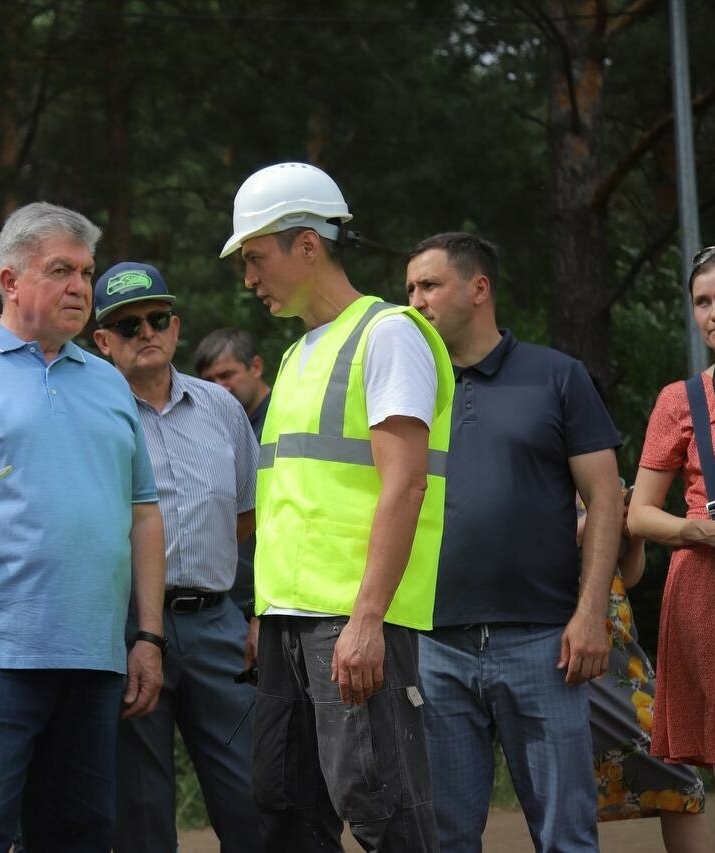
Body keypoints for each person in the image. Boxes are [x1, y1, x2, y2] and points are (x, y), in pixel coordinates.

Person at [0, 202, 166, 853]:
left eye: (85, 271)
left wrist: (149, 635)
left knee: (80, 836)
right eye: (61, 270)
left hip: (94, 658)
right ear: (10, 279)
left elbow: (143, 512)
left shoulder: (108, 383)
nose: (81, 286)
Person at [220, 161, 454, 851]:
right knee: (283, 802)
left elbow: (405, 484)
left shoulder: (387, 335)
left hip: (352, 621)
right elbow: (291, 499)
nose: (249, 278)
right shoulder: (295, 356)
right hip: (291, 622)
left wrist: (367, 619)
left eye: (257, 258)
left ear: (309, 245)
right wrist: (265, 612)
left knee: (381, 804)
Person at [404, 231, 623, 853]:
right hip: (432, 643)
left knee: (566, 836)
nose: (414, 301)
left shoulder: (558, 376)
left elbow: (607, 501)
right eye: (410, 289)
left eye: (429, 285)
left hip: (545, 641)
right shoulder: (405, 389)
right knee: (445, 838)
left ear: (478, 289)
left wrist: (591, 615)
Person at [90, 262, 260, 852]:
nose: (145, 331)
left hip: (217, 624)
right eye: (127, 323)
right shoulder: (92, 415)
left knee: (252, 798)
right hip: (127, 626)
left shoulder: (222, 408)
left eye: (156, 318)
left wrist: (248, 606)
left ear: (176, 326)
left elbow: (248, 511)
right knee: (140, 812)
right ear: (103, 340)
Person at [627, 241, 715, 847]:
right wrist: (700, 530)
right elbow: (637, 514)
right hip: (707, 593)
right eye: (703, 301)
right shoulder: (679, 401)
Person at [575, 486, 709, 850]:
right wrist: (601, 518)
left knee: (679, 777)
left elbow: (627, 576)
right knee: (566, 787)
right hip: (567, 645)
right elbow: (532, 546)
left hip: (620, 653)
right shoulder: (534, 475)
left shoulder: (603, 483)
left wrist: (632, 538)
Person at [194, 328, 271, 637]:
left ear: (256, 366)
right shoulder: (210, 429)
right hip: (227, 603)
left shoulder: (284, 420)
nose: (219, 388)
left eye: (227, 375)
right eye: (209, 380)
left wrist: (260, 609)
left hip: (269, 603)